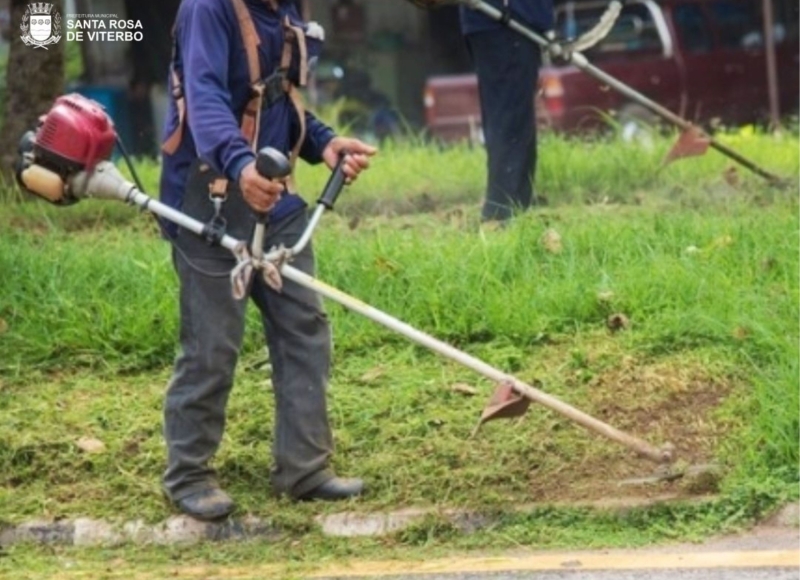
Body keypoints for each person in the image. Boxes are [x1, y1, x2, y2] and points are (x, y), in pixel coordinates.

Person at [158, 0, 377, 521]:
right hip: (208, 192)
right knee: (212, 342)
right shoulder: (207, 9)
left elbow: (276, 94)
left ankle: (304, 469)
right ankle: (187, 474)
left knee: (304, 323)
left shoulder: (286, 8)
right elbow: (207, 99)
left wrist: (322, 143)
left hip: (273, 195)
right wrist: (240, 167)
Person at [460, 0, 554, 224]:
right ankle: (500, 213)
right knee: (510, 120)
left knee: (513, 118)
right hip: (505, 20)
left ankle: (516, 208)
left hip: (498, 22)